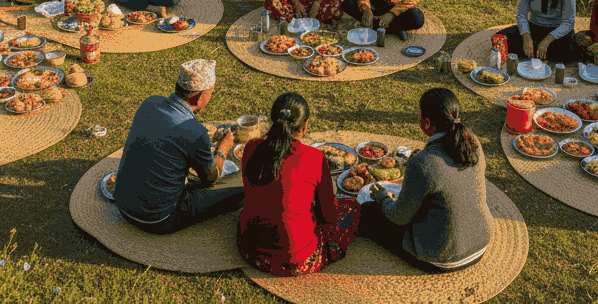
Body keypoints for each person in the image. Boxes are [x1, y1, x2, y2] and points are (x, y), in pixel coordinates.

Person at [360, 88, 495, 271]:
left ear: (427, 122)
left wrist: (382, 197)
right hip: (480, 241)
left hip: (442, 254)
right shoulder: (473, 142)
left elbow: (399, 217)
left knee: (367, 212)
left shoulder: (423, 163)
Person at [114, 59, 244, 233]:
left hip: (122, 205)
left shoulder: (149, 103)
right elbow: (210, 179)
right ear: (200, 95)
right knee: (242, 187)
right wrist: (223, 148)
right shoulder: (194, 131)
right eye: (211, 92)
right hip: (159, 219)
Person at [239, 92, 361, 276]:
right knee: (352, 208)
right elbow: (329, 215)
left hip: (250, 249)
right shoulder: (314, 158)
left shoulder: (251, 147)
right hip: (297, 259)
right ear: (304, 125)